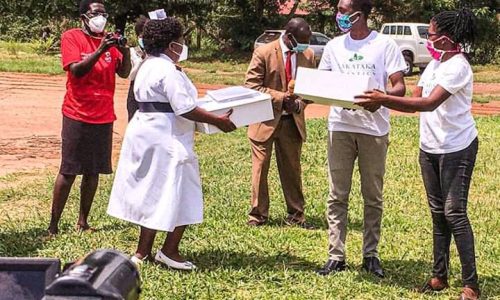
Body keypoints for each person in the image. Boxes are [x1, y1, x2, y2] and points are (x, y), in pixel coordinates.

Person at [355, 9, 481, 300]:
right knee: (438, 214)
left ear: (447, 39)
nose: (428, 39)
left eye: (432, 35)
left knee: (454, 213)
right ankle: (439, 276)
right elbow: (415, 97)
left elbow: (427, 104)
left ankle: (471, 284)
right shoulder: (435, 64)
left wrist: (383, 99)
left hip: (457, 148)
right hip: (430, 147)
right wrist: (384, 95)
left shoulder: (458, 67)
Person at [107, 17, 236, 270]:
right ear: (171, 45)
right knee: (181, 191)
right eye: (180, 41)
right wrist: (217, 121)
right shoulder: (168, 71)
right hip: (167, 138)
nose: (183, 45)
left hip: (146, 131)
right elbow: (185, 107)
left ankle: (142, 252)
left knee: (153, 192)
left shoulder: (147, 65)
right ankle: (169, 250)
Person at [316, 0, 407, 277]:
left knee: (372, 196)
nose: (339, 15)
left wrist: (382, 99)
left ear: (360, 14)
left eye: (343, 11)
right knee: (337, 194)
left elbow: (400, 87)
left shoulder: (384, 45)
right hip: (340, 127)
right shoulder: (334, 46)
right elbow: (321, 82)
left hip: (374, 130)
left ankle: (371, 254)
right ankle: (336, 255)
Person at [48, 0, 131, 235]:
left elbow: (123, 73)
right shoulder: (72, 37)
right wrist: (100, 50)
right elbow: (76, 70)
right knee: (69, 169)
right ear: (84, 17)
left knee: (94, 171)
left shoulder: (109, 40)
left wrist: (123, 50)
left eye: (104, 14)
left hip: (103, 115)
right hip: (77, 113)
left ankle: (83, 222)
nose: (101, 18)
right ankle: (53, 224)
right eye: (96, 13)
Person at [244, 18, 316, 228]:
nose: (306, 45)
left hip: (292, 123)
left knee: (292, 170)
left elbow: (311, 89)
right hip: (264, 121)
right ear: (289, 36)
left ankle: (296, 215)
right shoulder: (264, 52)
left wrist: (300, 104)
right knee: (260, 170)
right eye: (302, 41)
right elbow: (251, 86)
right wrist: (281, 98)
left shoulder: (308, 55)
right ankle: (257, 216)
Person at [127, 15, 148, 121]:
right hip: (135, 90)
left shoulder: (158, 53)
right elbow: (131, 76)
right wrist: (142, 60)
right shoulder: (133, 52)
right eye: (142, 35)